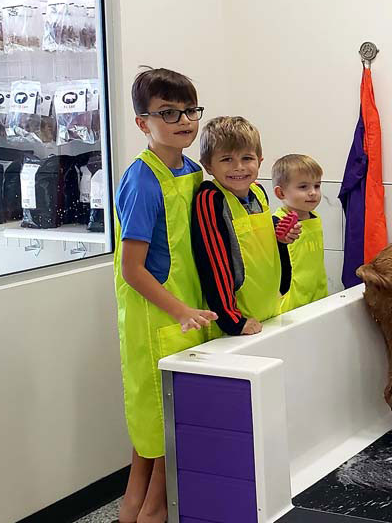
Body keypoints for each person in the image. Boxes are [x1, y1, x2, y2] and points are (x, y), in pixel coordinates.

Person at [114, 68, 216, 523]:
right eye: (168, 113)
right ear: (142, 122)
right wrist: (180, 311)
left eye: (190, 111)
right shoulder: (142, 180)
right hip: (157, 321)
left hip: (186, 315)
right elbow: (131, 269)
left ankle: (133, 512)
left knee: (151, 449)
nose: (184, 121)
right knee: (163, 442)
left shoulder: (193, 171)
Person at [191, 116, 299, 336]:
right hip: (234, 324)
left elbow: (266, 251)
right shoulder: (211, 199)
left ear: (260, 160)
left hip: (269, 311)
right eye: (227, 159)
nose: (238, 167)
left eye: (247, 158)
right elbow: (213, 262)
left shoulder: (259, 192)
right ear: (208, 165)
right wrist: (233, 321)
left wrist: (280, 238)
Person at [271, 154, 329, 313]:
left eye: (317, 186)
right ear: (281, 193)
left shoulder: (315, 218)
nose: (313, 193)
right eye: (303, 187)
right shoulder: (276, 224)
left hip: (318, 296)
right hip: (290, 302)